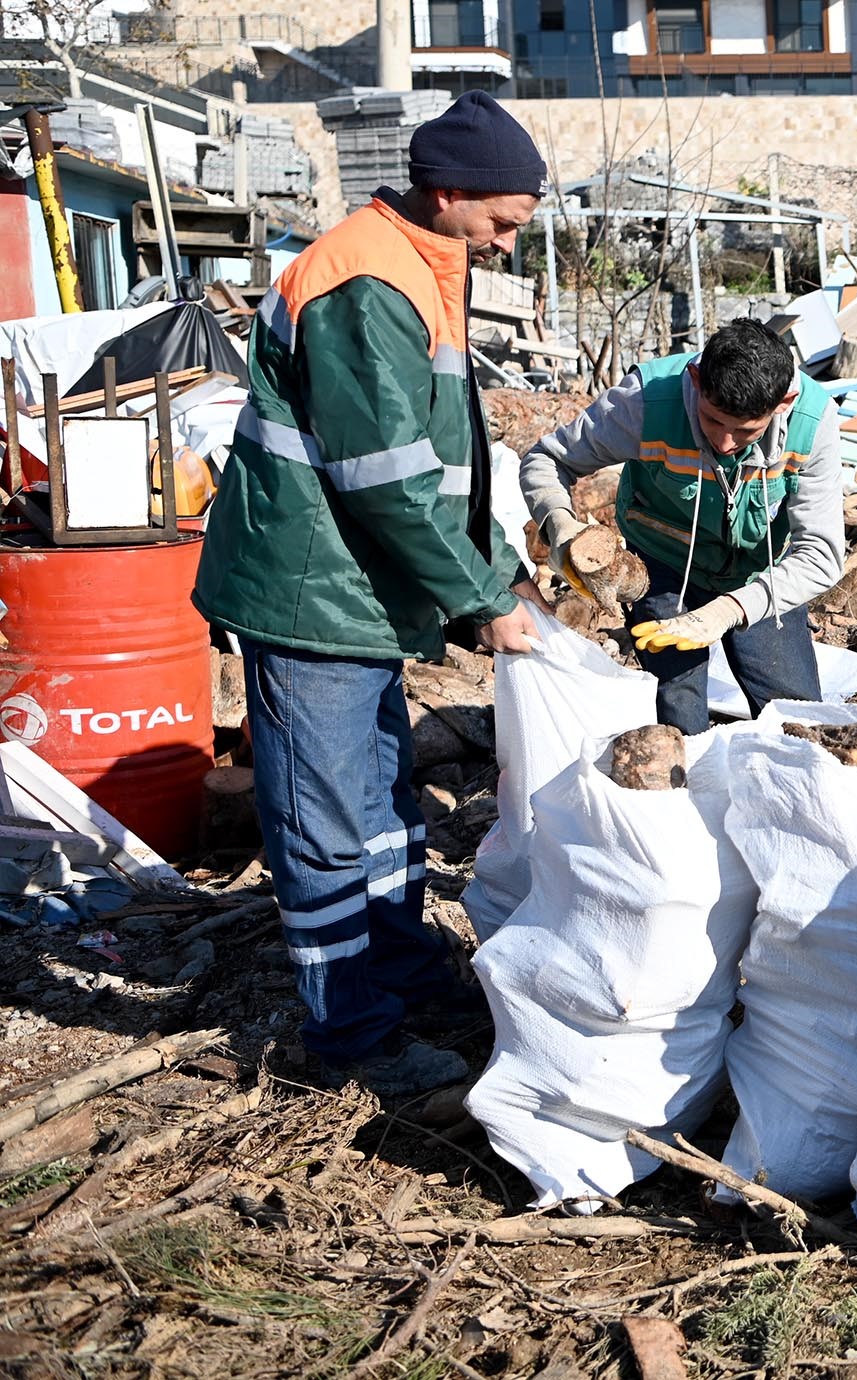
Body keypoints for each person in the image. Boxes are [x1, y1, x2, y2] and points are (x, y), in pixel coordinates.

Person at [193, 91, 549, 1097]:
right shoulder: (364, 282)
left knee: (386, 804)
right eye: (503, 223)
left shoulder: (420, 263)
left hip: (354, 591)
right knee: (324, 818)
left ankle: (394, 973)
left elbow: (437, 455)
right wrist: (481, 598)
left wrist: (486, 572)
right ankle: (352, 1038)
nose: (509, 245)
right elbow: (384, 472)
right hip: (311, 595)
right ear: (448, 194)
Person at [518, 319, 844, 731]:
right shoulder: (646, 401)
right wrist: (559, 526)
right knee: (677, 705)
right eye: (712, 421)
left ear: (784, 402)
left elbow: (821, 555)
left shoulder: (813, 422)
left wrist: (729, 608)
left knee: (797, 716)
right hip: (662, 564)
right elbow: (547, 459)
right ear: (695, 379)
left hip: (763, 573)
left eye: (745, 431)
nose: (725, 443)